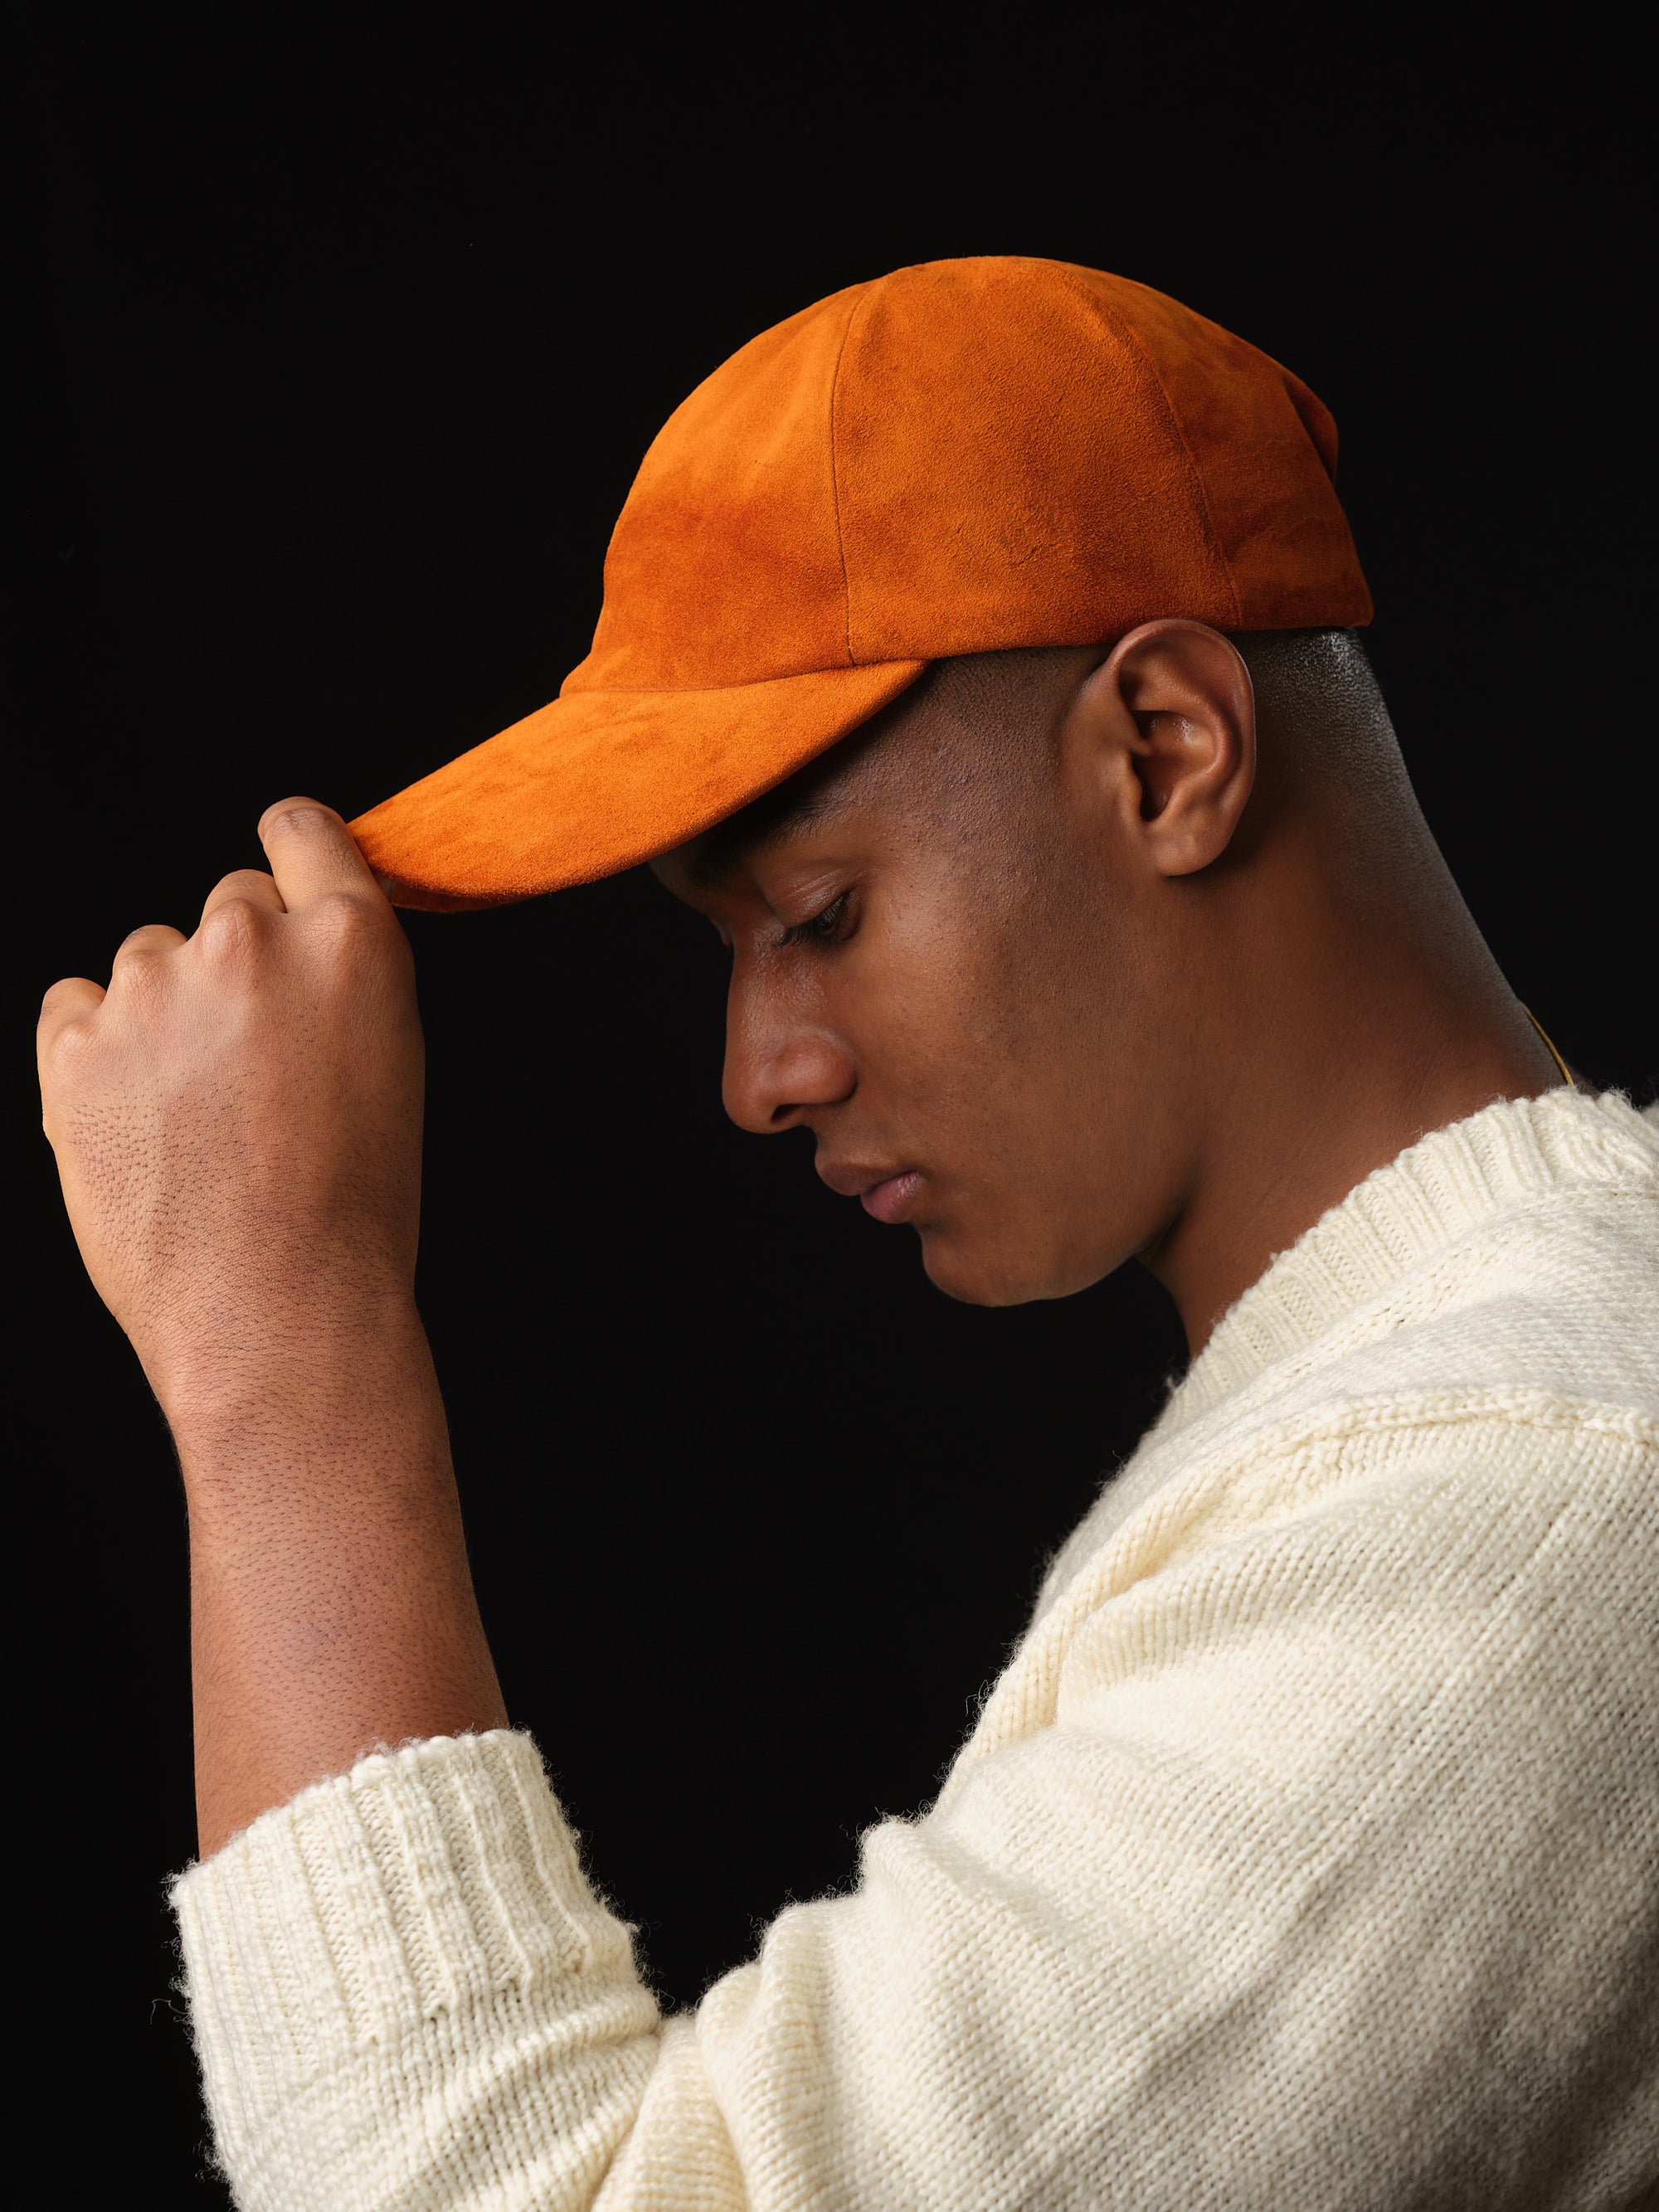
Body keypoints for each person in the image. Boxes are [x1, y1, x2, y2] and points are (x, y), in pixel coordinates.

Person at [37, 259, 1658, 2209]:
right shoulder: (1461, 1427)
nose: (758, 1072)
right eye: (724, 950)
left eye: (815, 913)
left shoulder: (1537, 1497)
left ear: (1165, 750)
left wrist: (274, 1333)